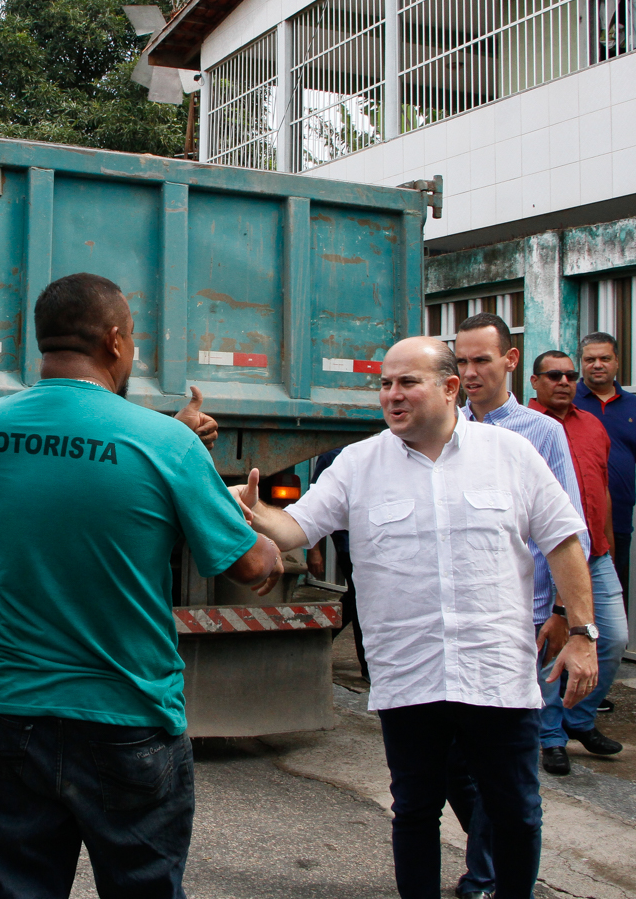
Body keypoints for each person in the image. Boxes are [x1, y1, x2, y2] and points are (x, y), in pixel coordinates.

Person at [233, 335, 598, 899]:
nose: (391, 395)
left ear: (450, 388)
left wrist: (582, 634)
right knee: (415, 813)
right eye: (384, 384)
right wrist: (255, 511)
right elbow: (297, 529)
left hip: (496, 674)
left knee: (517, 813)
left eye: (407, 382)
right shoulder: (359, 464)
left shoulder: (511, 455)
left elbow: (564, 541)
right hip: (410, 677)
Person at [0, 272, 282, 899]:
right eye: (133, 338)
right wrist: (248, 519)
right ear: (115, 341)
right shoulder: (163, 444)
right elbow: (253, 568)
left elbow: (76, 468)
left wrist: (173, 442)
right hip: (128, 719)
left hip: (14, 713)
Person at [446, 313, 591, 899]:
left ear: (511, 361)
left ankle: (487, 875)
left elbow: (563, 532)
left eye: (482, 360)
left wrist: (563, 614)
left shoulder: (541, 434)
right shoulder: (441, 425)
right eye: (461, 361)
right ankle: (496, 847)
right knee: (454, 760)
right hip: (455, 618)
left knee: (502, 760)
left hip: (521, 619)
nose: (470, 372)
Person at [528, 351, 628, 760]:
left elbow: (600, 490)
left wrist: (608, 547)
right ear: (534, 381)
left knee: (613, 638)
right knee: (552, 644)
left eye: (571, 375)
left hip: (596, 556)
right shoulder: (527, 429)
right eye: (554, 375)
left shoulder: (593, 426)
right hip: (550, 557)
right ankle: (549, 735)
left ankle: (579, 719)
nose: (565, 382)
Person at [574, 331, 636, 605]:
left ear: (616, 362)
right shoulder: (568, 402)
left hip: (619, 526)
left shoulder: (633, 406)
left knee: (609, 601)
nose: (597, 365)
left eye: (604, 358)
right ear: (582, 363)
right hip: (575, 522)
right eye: (590, 359)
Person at [306, 447, 367, 681]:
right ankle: (368, 667)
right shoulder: (332, 456)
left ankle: (321, 637)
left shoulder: (380, 449)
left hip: (372, 543)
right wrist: (314, 551)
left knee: (356, 597)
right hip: (349, 544)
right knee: (362, 599)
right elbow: (313, 506)